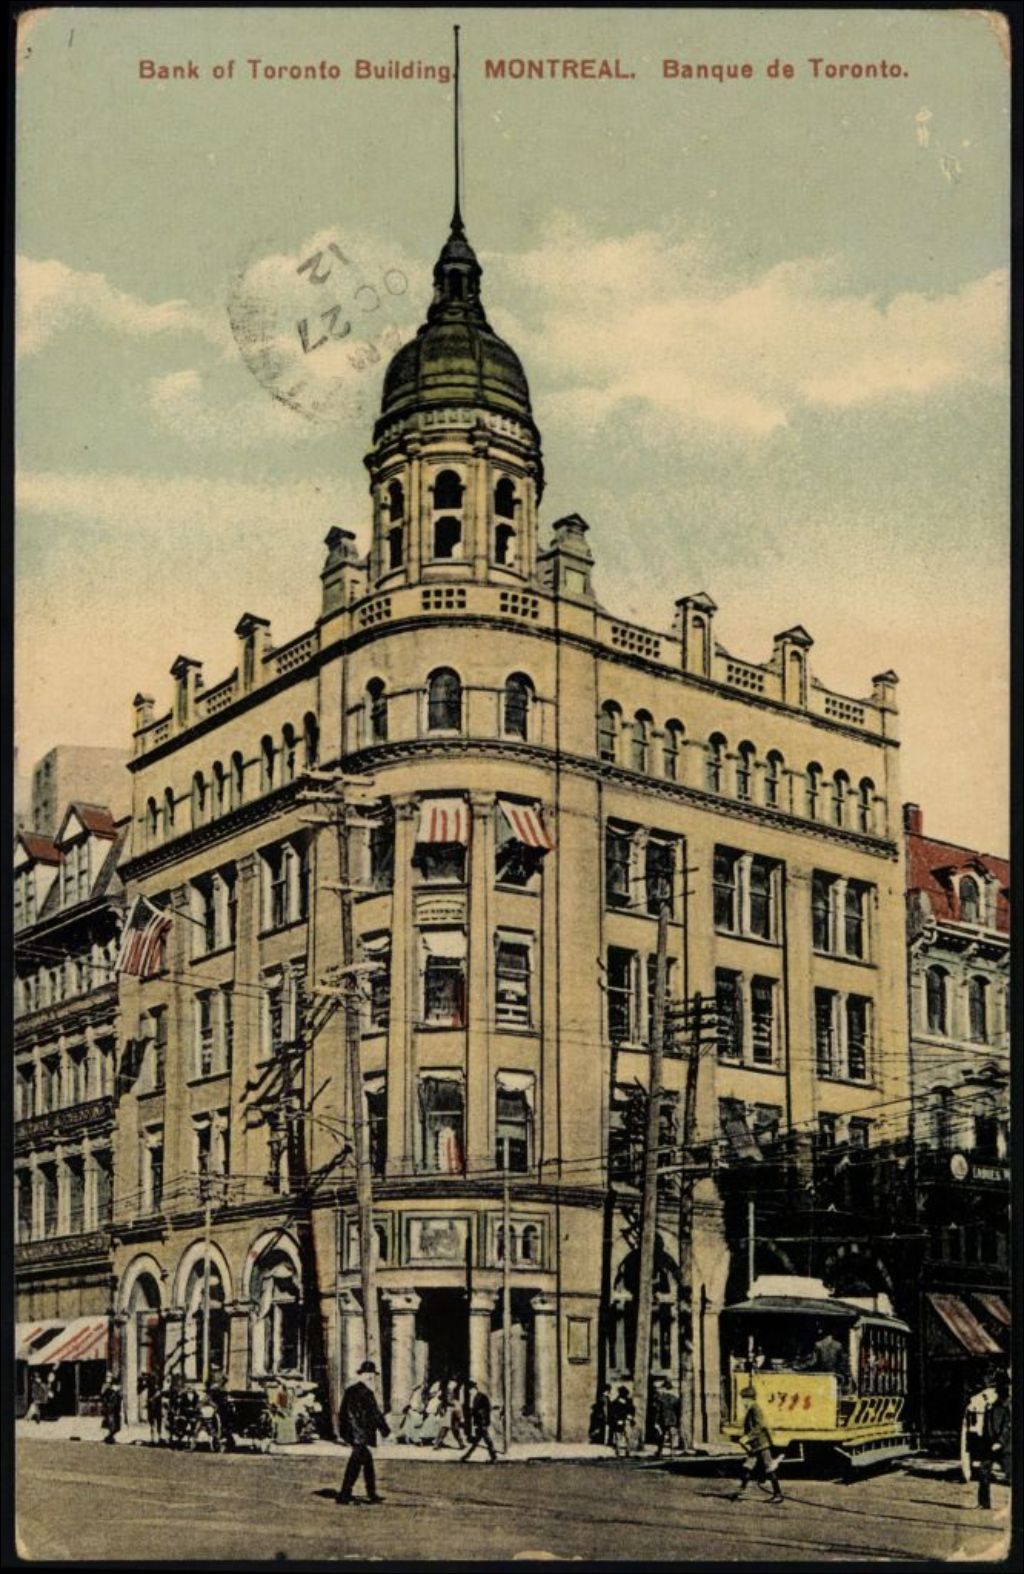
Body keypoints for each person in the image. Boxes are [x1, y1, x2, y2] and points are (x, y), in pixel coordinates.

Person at [337, 1360, 389, 1505]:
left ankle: (369, 1493)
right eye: (368, 1374)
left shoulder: (356, 1391)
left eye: (372, 1374)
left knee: (367, 1462)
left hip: (357, 1434)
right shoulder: (361, 1392)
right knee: (355, 1464)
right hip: (358, 1434)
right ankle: (345, 1494)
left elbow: (374, 1414)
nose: (371, 1377)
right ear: (362, 1375)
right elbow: (352, 1415)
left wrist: (384, 1431)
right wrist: (385, 1432)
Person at [734, 1385, 783, 1503]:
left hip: (761, 1444)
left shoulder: (755, 1409)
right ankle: (741, 1492)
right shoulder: (752, 1409)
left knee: (769, 1468)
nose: (742, 1402)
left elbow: (759, 1426)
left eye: (743, 1399)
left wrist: (747, 1437)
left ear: (749, 1399)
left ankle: (778, 1494)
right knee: (748, 1466)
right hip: (756, 1445)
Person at [977, 1373, 1011, 1510]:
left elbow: (1007, 1428)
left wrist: (1000, 1442)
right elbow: (986, 1429)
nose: (984, 1397)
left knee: (1010, 1475)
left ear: (994, 1394)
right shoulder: (988, 1409)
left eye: (986, 1395)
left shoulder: (1003, 1408)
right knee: (983, 1471)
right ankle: (984, 1503)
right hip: (990, 1446)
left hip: (1005, 1447)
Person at [460, 1382, 498, 1463]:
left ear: (475, 1389)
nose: (470, 1392)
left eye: (471, 1390)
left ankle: (494, 1457)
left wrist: (482, 1418)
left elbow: (487, 1408)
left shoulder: (482, 1396)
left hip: (482, 1421)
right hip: (478, 1421)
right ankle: (467, 1456)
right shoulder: (473, 1397)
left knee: (486, 1440)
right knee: (478, 1440)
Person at [608, 1385, 636, 1456]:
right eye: (623, 1393)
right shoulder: (615, 1403)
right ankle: (618, 1451)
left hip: (627, 1421)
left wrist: (630, 1416)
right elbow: (613, 1413)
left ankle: (628, 1451)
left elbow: (632, 1410)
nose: (625, 1395)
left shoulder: (629, 1402)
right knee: (618, 1437)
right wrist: (617, 1420)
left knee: (628, 1436)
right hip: (619, 1421)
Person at [100, 1372, 123, 1445]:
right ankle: (110, 1437)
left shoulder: (116, 1390)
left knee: (117, 1426)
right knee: (111, 1424)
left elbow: (120, 1399)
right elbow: (103, 1397)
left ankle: (109, 1436)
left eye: (109, 1377)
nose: (108, 1378)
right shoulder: (107, 1388)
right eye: (107, 1377)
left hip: (116, 1409)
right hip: (110, 1409)